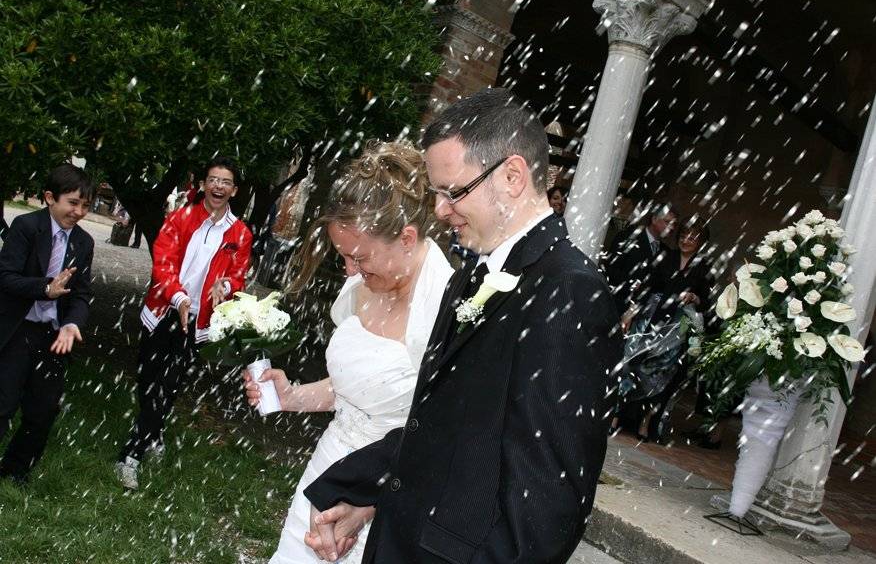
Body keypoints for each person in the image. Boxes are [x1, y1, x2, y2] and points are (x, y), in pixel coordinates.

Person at [301, 88, 623, 563]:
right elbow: (439, 425)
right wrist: (363, 493)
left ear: (512, 176)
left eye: (453, 192)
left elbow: (546, 503)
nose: (439, 210)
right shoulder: (471, 276)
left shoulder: (569, 292)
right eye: (436, 193)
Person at [245, 141, 454, 564]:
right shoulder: (359, 286)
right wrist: (293, 397)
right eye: (343, 256)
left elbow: (445, 437)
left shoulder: (447, 311)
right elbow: (353, 390)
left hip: (391, 497)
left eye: (358, 257)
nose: (349, 271)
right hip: (328, 471)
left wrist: (370, 503)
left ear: (408, 239)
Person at [116, 156, 253, 490]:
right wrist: (178, 297)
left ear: (233, 190)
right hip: (165, 310)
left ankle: (132, 453)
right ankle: (151, 433)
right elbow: (162, 265)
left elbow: (237, 277)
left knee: (171, 382)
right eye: (213, 179)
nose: (218, 186)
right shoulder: (179, 218)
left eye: (225, 182)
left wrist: (228, 288)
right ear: (204, 184)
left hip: (199, 321)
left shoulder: (240, 233)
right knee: (148, 379)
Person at [0, 164, 95, 483]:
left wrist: (72, 324)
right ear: (49, 198)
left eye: (85, 205)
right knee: (3, 403)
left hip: (53, 336)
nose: (79, 212)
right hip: (16, 330)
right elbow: (5, 277)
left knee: (43, 411)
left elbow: (82, 293)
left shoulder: (84, 243)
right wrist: (44, 288)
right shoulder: (25, 226)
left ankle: (15, 471)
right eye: (72, 202)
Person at [617, 218, 716, 442]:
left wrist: (694, 297)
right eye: (684, 234)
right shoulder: (665, 256)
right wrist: (631, 313)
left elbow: (706, 302)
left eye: (693, 236)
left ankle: (646, 423)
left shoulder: (704, 267)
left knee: (660, 375)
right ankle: (615, 416)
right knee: (630, 364)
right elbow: (647, 286)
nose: (686, 240)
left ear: (701, 241)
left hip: (676, 329)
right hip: (650, 320)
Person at [602, 202, 679, 331]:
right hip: (613, 306)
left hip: (641, 317)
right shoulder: (628, 237)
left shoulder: (667, 253)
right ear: (654, 219)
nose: (671, 228)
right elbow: (610, 269)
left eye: (674, 224)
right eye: (667, 222)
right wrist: (632, 283)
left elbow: (659, 285)